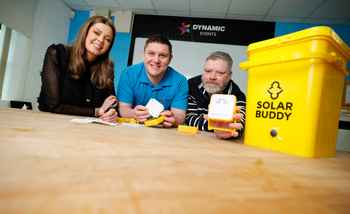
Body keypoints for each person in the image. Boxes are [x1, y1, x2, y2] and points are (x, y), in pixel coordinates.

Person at [38, 16, 118, 122]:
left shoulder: (107, 68)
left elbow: (111, 102)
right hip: (52, 124)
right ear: (85, 33)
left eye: (107, 39)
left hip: (90, 129)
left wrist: (112, 112)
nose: (101, 40)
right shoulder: (57, 54)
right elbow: (53, 105)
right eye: (97, 33)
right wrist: (96, 111)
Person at [117, 35, 188, 128]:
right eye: (151, 53)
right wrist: (132, 113)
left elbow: (180, 116)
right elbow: (123, 109)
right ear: (144, 54)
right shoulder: (128, 74)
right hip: (132, 129)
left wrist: (173, 120)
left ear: (170, 59)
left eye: (162, 55)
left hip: (163, 133)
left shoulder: (180, 81)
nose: (156, 60)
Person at [185, 51, 246, 139]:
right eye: (208, 71)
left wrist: (214, 123)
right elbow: (188, 118)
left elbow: (239, 125)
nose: (212, 77)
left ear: (229, 76)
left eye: (220, 73)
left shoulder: (238, 95)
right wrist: (218, 125)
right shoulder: (190, 86)